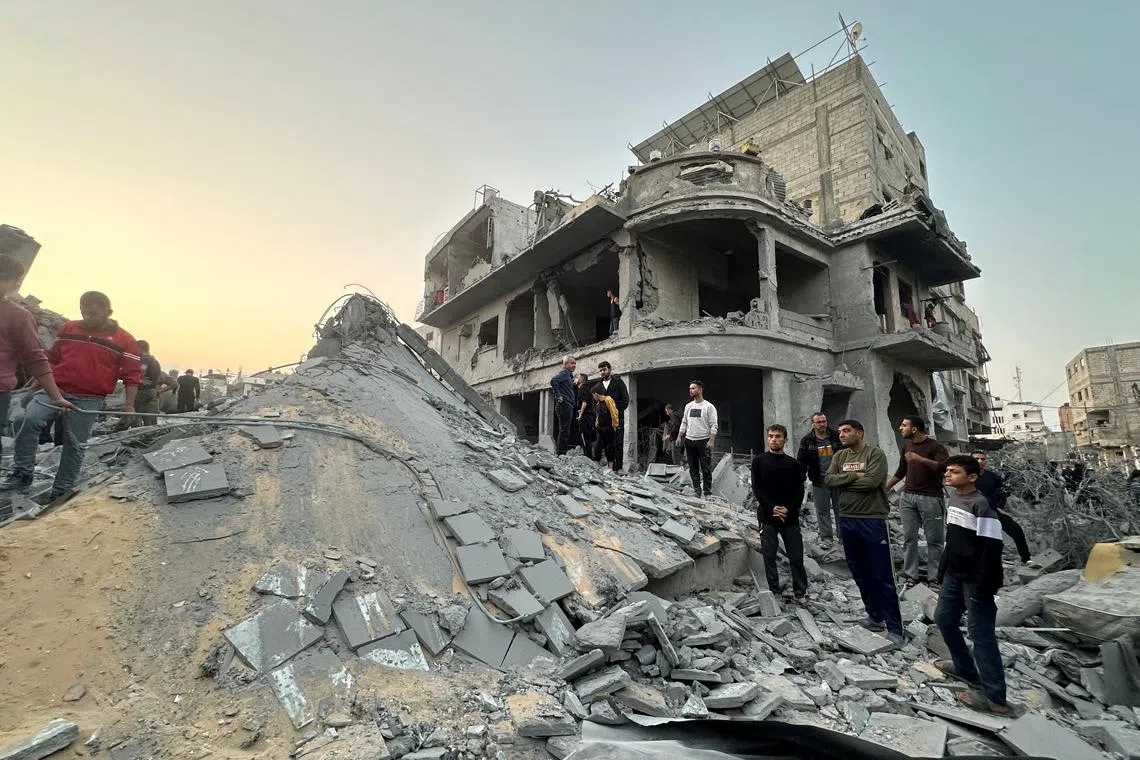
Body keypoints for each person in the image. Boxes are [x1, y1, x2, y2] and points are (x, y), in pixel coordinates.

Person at [2, 291, 140, 501]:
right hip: (55, 390)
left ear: (108, 312)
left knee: (74, 443)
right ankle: (22, 473)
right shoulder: (68, 328)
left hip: (89, 398)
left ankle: (61, 491)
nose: (87, 317)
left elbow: (132, 376)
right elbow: (51, 359)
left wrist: (128, 405)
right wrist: (34, 387)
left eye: (92, 313)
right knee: (28, 419)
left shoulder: (125, 340)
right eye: (84, 312)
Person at [933, 454, 1010, 715]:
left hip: (976, 580)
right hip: (954, 575)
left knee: (981, 635)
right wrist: (943, 570)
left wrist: (983, 585)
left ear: (972, 477)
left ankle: (996, 698)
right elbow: (953, 539)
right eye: (947, 471)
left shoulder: (981, 504)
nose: (948, 475)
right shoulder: (954, 498)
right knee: (943, 619)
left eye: (954, 472)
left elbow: (991, 547)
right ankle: (965, 668)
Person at [825, 419, 904, 645]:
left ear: (859, 433)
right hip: (847, 519)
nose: (841, 434)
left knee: (882, 574)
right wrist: (853, 476)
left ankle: (895, 628)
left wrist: (845, 481)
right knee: (859, 570)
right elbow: (829, 480)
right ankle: (875, 617)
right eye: (840, 431)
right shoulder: (840, 456)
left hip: (872, 520)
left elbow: (872, 482)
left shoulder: (875, 454)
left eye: (846, 431)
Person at [0, 255, 76, 455]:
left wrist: (56, 397)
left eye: (4, 278)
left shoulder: (19, 317)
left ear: (15, 283)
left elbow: (36, 359)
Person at [886, 415, 949, 590]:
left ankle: (934, 578)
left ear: (914, 429)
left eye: (904, 425)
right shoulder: (906, 446)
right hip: (907, 497)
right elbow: (901, 471)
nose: (900, 428)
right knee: (909, 538)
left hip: (931, 497)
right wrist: (885, 489)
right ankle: (911, 576)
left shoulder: (934, 446)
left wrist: (921, 460)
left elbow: (945, 467)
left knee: (934, 540)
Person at [752, 424, 808, 603]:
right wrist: (771, 507)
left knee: (796, 556)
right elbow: (757, 488)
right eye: (770, 436)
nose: (773, 439)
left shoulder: (794, 465)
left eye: (777, 436)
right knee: (769, 556)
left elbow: (799, 491)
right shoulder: (759, 461)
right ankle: (774, 592)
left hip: (790, 518)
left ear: (785, 440)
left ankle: (800, 592)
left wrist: (788, 509)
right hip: (767, 517)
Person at [972, 451, 1030, 563]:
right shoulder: (966, 477)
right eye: (976, 458)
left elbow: (1003, 492)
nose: (980, 461)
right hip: (973, 514)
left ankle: (1026, 559)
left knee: (1015, 529)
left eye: (983, 459)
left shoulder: (993, 477)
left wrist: (999, 506)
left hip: (993, 511)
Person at [797, 413, 844, 549]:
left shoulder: (836, 436)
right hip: (819, 480)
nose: (822, 424)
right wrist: (801, 480)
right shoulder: (807, 440)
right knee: (822, 510)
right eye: (818, 422)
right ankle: (827, 538)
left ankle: (843, 538)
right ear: (813, 424)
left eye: (824, 421)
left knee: (840, 509)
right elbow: (801, 462)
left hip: (837, 478)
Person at [678, 380, 718, 498]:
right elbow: (684, 422)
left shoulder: (709, 407)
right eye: (690, 388)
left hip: (703, 441)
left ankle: (707, 492)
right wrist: (680, 436)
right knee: (693, 467)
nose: (690, 390)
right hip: (689, 441)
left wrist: (711, 440)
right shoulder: (688, 406)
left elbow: (714, 425)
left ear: (700, 389)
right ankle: (697, 491)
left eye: (693, 388)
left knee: (706, 468)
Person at [130, 340, 176, 427]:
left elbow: (143, 368)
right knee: (151, 422)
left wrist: (139, 379)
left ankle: (136, 437)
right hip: (152, 392)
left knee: (135, 418)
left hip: (141, 391)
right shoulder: (155, 361)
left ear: (139, 348)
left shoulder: (144, 359)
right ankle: (149, 438)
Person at [597, 361, 629, 470]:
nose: (602, 372)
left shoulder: (618, 382)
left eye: (604, 369)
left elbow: (625, 400)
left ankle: (619, 467)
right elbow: (594, 403)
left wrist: (613, 407)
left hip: (617, 418)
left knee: (618, 443)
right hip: (603, 420)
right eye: (600, 370)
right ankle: (610, 467)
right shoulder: (598, 385)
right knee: (607, 443)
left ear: (610, 369)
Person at [550, 356, 577, 455]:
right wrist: (558, 395)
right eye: (572, 363)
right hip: (564, 404)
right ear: (565, 364)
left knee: (565, 429)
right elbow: (553, 381)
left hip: (567, 404)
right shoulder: (564, 373)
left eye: (575, 363)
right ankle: (561, 452)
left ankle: (561, 452)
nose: (574, 365)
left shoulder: (568, 375)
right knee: (564, 429)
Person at [591, 384, 619, 468]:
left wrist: (615, 425)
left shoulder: (608, 399)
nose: (593, 397)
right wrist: (596, 423)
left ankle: (610, 467)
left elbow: (614, 412)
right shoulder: (598, 404)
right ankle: (596, 463)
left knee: (610, 446)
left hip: (609, 427)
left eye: (593, 395)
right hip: (600, 428)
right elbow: (598, 415)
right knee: (598, 445)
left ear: (596, 394)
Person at [574, 373, 597, 459]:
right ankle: (589, 455)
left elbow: (584, 402)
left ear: (581, 380)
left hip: (586, 416)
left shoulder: (582, 388)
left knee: (585, 437)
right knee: (588, 437)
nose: (575, 379)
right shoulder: (587, 389)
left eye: (577, 378)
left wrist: (580, 414)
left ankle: (588, 457)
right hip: (589, 416)